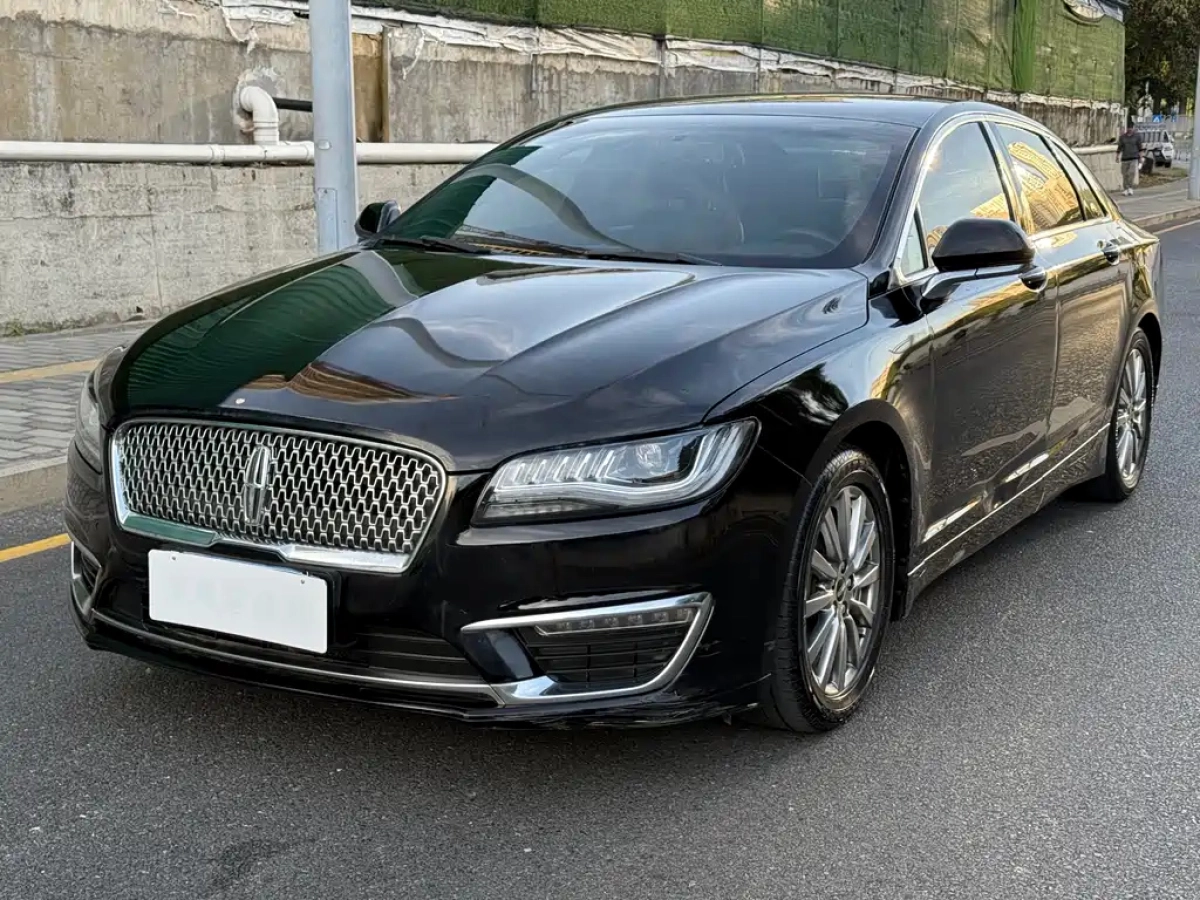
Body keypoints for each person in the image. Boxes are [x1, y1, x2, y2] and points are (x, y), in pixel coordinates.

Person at [1116, 125, 1144, 196]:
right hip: (1125, 158)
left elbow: (1140, 148)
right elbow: (1120, 147)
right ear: (1127, 128)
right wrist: (1117, 156)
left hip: (1134, 157)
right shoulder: (1122, 137)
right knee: (1125, 174)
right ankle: (1126, 189)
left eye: (1131, 128)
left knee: (1132, 173)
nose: (1130, 129)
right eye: (1129, 128)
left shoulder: (1137, 136)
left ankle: (1130, 187)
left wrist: (1141, 158)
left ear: (1133, 128)